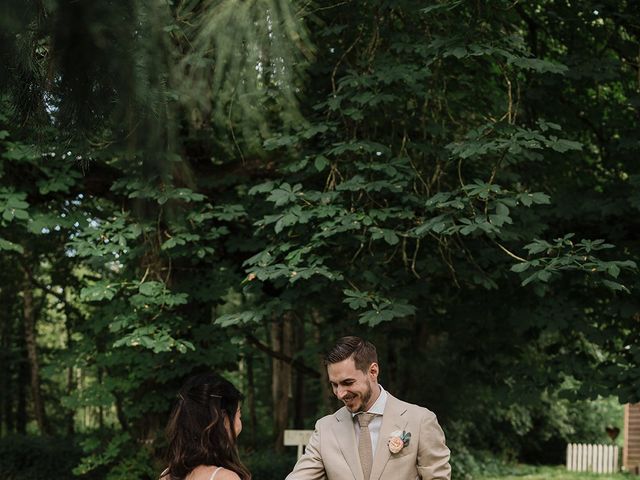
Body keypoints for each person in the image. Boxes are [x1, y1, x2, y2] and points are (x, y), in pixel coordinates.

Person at [285, 336, 451, 480]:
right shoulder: (325, 429)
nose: (340, 393)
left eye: (347, 383)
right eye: (334, 385)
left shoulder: (420, 420)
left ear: (373, 371)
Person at [161, 372, 251, 480]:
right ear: (224, 420)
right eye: (239, 415)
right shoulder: (224, 477)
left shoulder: (167, 476)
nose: (239, 425)